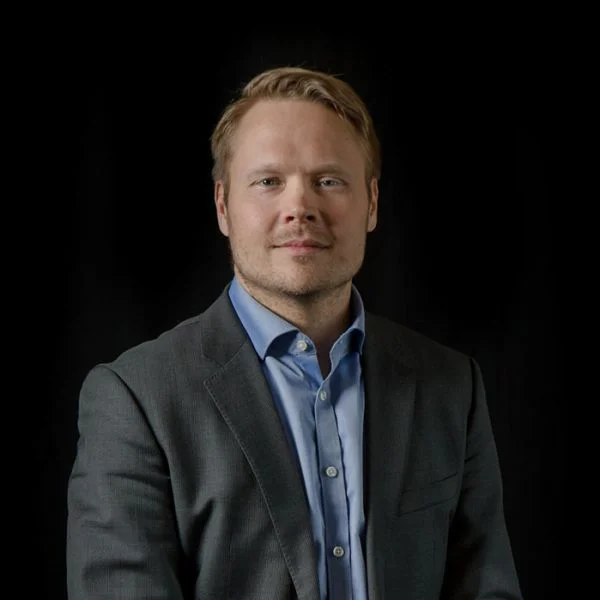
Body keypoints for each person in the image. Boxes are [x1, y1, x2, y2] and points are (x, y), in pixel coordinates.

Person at [66, 66, 523, 599]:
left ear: (372, 203)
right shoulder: (135, 399)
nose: (300, 207)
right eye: (268, 181)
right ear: (223, 206)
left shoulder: (451, 386)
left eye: (328, 180)